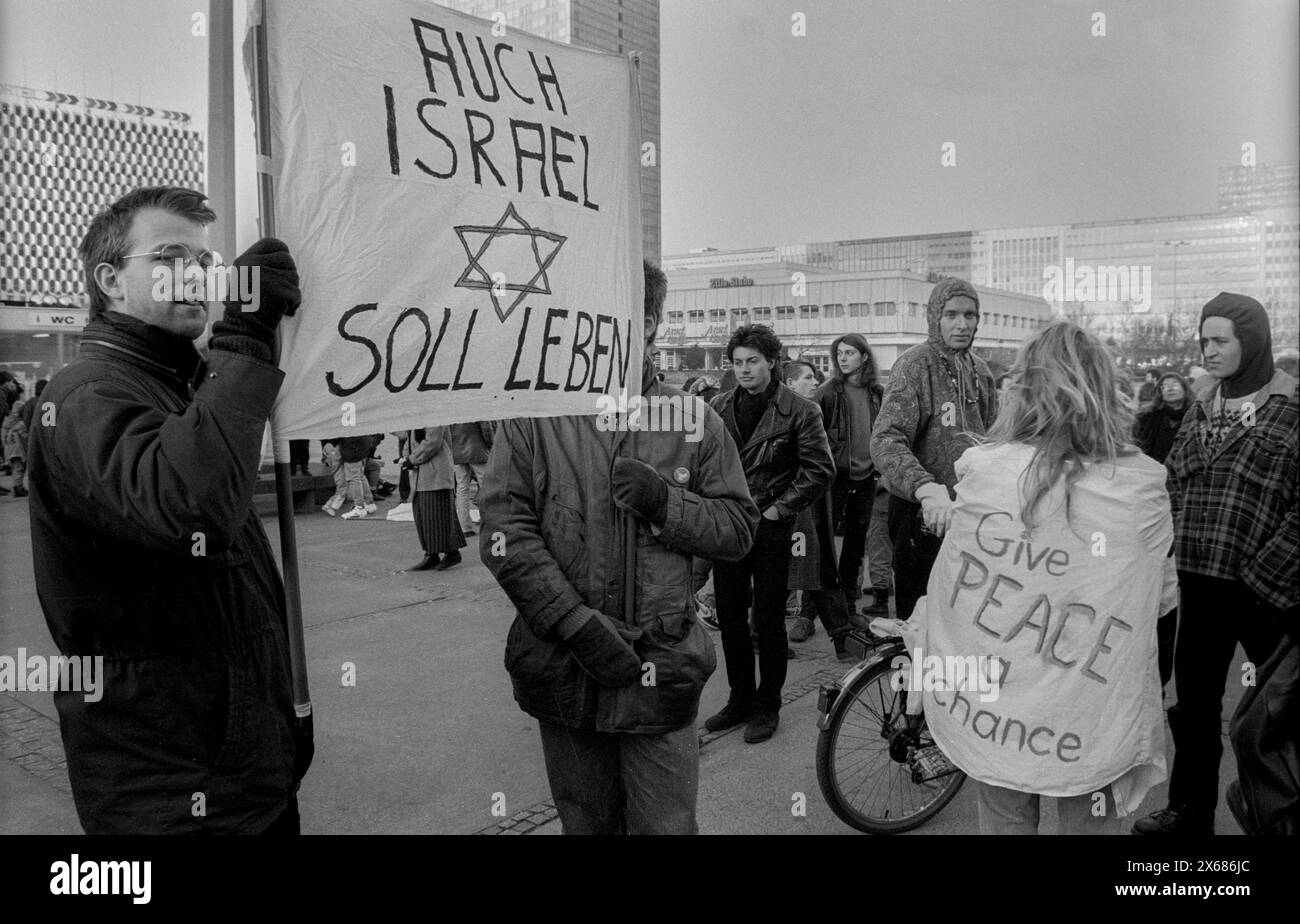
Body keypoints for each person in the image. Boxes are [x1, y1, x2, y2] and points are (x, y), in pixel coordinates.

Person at [27, 186, 311, 834]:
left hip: (238, 770)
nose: (196, 275)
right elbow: (191, 504)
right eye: (168, 256)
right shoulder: (84, 394)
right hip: (171, 792)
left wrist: (285, 718)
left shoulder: (176, 386)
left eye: (204, 262)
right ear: (110, 281)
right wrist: (244, 334)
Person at [480, 260, 757, 834]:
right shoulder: (535, 413)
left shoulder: (693, 421)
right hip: (563, 666)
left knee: (667, 827)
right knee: (586, 824)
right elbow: (504, 531)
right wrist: (574, 623)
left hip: (660, 669)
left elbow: (737, 530)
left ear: (650, 324)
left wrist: (667, 506)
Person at [921, 321, 1177, 835]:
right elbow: (1161, 602)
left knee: (1004, 814)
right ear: (1106, 391)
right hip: (1091, 707)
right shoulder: (1141, 487)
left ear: (1023, 391)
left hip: (996, 705)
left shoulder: (983, 470)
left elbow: (951, 591)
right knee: (1090, 823)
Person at [1134, 293, 1298, 836]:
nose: (1209, 350)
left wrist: (1264, 578)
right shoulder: (1203, 404)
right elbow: (1173, 480)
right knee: (1196, 708)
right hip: (1198, 583)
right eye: (1204, 340)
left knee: (1276, 716)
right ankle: (1189, 812)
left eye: (1221, 340)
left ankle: (1281, 816)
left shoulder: (1291, 407)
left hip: (1266, 594)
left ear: (1250, 341)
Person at [705, 324, 835, 743]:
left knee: (768, 620)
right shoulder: (719, 405)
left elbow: (819, 470)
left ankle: (768, 705)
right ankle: (740, 698)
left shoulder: (800, 410)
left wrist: (779, 510)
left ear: (772, 362)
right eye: (737, 363)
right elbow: (706, 462)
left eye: (752, 362)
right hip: (730, 527)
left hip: (772, 528)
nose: (744, 370)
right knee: (729, 618)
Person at [870, 276, 997, 623]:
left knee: (966, 620)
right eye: (952, 314)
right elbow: (885, 440)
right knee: (921, 624)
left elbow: (993, 441)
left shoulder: (980, 371)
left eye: (970, 315)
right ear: (935, 317)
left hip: (970, 516)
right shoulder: (915, 365)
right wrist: (925, 488)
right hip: (920, 516)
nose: (962, 324)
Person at [782, 360, 854, 660]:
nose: (815, 382)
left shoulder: (809, 411)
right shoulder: (794, 413)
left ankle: (843, 638)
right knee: (804, 570)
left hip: (810, 504)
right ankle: (843, 640)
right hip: (796, 506)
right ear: (789, 383)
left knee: (813, 568)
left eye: (815, 377)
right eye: (808, 378)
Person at [1133, 370, 1193, 690]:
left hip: (1178, 492)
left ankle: (1159, 676)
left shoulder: (1194, 417)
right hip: (1150, 493)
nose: (1169, 388)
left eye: (1175, 384)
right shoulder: (1147, 419)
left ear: (1184, 388)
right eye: (1164, 385)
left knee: (1167, 587)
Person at [816, 333, 883, 614]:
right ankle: (811, 611)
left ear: (864, 356)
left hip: (867, 477)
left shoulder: (877, 393)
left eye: (850, 353)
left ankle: (849, 606)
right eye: (839, 354)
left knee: (855, 546)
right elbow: (814, 438)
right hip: (836, 477)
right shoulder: (828, 392)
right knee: (823, 545)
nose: (843, 359)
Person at [402, 426, 465, 571]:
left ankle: (451, 553)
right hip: (423, 473)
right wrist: (406, 457)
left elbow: (432, 442)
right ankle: (432, 554)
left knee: (437, 514)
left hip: (436, 471)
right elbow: (410, 439)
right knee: (424, 515)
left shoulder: (434, 415)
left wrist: (412, 459)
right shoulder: (420, 416)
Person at [450, 421, 492, 537]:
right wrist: (490, 443)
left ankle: (464, 527)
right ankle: (490, 523)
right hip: (477, 448)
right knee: (486, 486)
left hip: (457, 449)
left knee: (462, 489)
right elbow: (485, 428)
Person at [2, 380, 27, 497]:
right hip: (16, 442)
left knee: (16, 465)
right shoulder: (19, 405)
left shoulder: (10, 409)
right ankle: (18, 487)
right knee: (18, 466)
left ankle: (18, 486)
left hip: (10, 441)